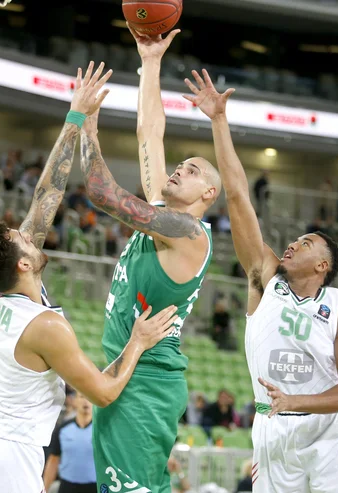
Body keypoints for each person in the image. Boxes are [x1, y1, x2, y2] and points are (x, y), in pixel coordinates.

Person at [0, 62, 178, 493]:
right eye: (23, 239)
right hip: (7, 456)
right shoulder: (46, 327)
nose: (31, 231)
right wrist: (138, 342)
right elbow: (104, 392)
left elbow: (47, 194)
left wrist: (76, 117)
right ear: (22, 263)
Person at [184, 68, 338, 492]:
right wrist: (218, 120)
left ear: (323, 266)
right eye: (296, 238)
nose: (293, 243)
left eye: (307, 243)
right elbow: (236, 197)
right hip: (274, 431)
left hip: (330, 435)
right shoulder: (265, 280)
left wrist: (297, 401)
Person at [82, 30, 221, 493]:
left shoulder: (187, 233)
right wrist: (150, 61)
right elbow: (150, 131)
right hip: (127, 371)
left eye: (194, 169)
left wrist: (86, 128)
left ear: (208, 194)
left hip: (146, 382)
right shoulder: (165, 216)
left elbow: (104, 194)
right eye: (180, 164)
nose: (179, 168)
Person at [43, 392, 96, 493]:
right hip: (68, 486)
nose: (85, 401)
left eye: (89, 397)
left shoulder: (101, 431)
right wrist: (45, 487)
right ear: (75, 401)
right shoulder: (63, 429)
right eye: (82, 397)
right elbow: (53, 460)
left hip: (95, 486)